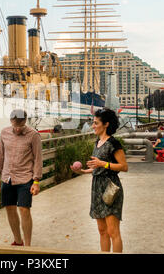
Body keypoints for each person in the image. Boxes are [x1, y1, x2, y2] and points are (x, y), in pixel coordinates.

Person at [70, 108, 128, 253]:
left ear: (106, 124)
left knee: (113, 231)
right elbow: (97, 168)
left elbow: (124, 167)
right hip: (97, 188)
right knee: (102, 231)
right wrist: (83, 171)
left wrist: (104, 164)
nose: (93, 126)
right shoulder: (97, 142)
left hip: (110, 188)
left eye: (96, 123)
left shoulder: (113, 143)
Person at [0, 109, 43, 247]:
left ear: (25, 122)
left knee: (24, 209)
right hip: (7, 177)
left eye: (20, 126)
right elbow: (0, 156)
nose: (17, 129)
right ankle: (18, 240)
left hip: (25, 178)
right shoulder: (4, 133)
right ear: (11, 122)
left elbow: (38, 159)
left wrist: (36, 181)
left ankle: (27, 246)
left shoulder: (34, 135)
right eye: (15, 126)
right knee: (10, 208)